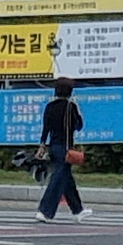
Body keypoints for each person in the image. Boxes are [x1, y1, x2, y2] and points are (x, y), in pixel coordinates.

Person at [35, 74, 87, 220]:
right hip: (66, 147)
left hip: (53, 146)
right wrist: (79, 115)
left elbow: (46, 128)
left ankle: (78, 210)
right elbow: (78, 126)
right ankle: (45, 211)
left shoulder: (50, 107)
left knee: (66, 178)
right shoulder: (71, 107)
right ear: (70, 92)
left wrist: (42, 146)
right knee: (58, 179)